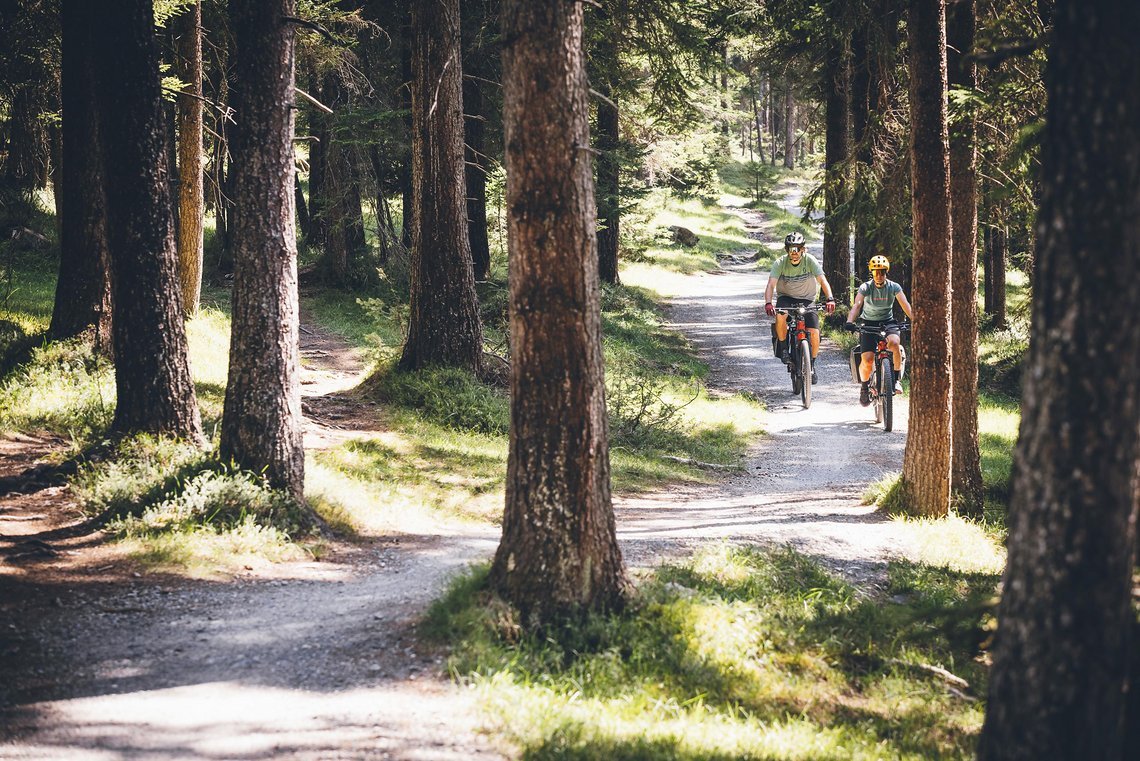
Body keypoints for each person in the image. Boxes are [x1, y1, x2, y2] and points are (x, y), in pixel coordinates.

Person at [763, 232, 836, 384]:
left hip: (807, 300)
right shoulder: (780, 263)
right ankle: (784, 348)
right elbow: (771, 284)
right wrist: (768, 303)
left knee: (814, 332)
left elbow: (823, 280)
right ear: (786, 250)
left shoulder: (810, 261)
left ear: (803, 249)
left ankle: (812, 365)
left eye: (797, 249)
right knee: (780, 315)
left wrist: (830, 299)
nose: (794, 253)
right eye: (791, 249)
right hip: (786, 298)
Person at [844, 255, 913, 406]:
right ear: (872, 273)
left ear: (886, 272)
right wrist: (850, 321)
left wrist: (915, 319)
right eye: (876, 272)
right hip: (868, 323)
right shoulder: (866, 287)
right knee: (867, 360)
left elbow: (905, 304)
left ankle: (895, 381)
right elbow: (857, 305)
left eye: (882, 272)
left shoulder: (894, 287)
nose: (879, 276)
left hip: (887, 322)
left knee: (894, 343)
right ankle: (864, 387)